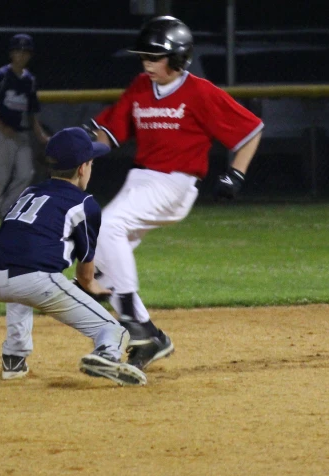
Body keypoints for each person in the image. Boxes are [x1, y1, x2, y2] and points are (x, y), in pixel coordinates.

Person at [87, 16, 264, 370]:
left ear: (179, 58)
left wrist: (236, 174)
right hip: (139, 182)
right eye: (144, 57)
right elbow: (109, 131)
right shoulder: (140, 86)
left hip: (174, 184)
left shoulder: (200, 91)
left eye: (156, 57)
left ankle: (137, 329)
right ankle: (151, 340)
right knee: (101, 259)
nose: (148, 64)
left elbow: (251, 130)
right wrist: (78, 144)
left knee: (107, 227)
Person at [0, 127, 146, 386]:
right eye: (90, 163)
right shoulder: (85, 203)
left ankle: (14, 357)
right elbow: (85, 275)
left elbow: (17, 236)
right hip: (33, 281)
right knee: (113, 329)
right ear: (82, 169)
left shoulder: (29, 192)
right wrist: (94, 288)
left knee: (19, 287)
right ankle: (107, 354)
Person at [0, 33, 50, 235]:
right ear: (11, 53)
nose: (22, 55)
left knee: (27, 173)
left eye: (26, 51)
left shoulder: (29, 80)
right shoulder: (1, 75)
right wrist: (1, 126)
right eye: (18, 50)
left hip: (21, 133)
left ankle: (5, 208)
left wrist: (40, 134)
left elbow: (31, 112)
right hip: (1, 133)